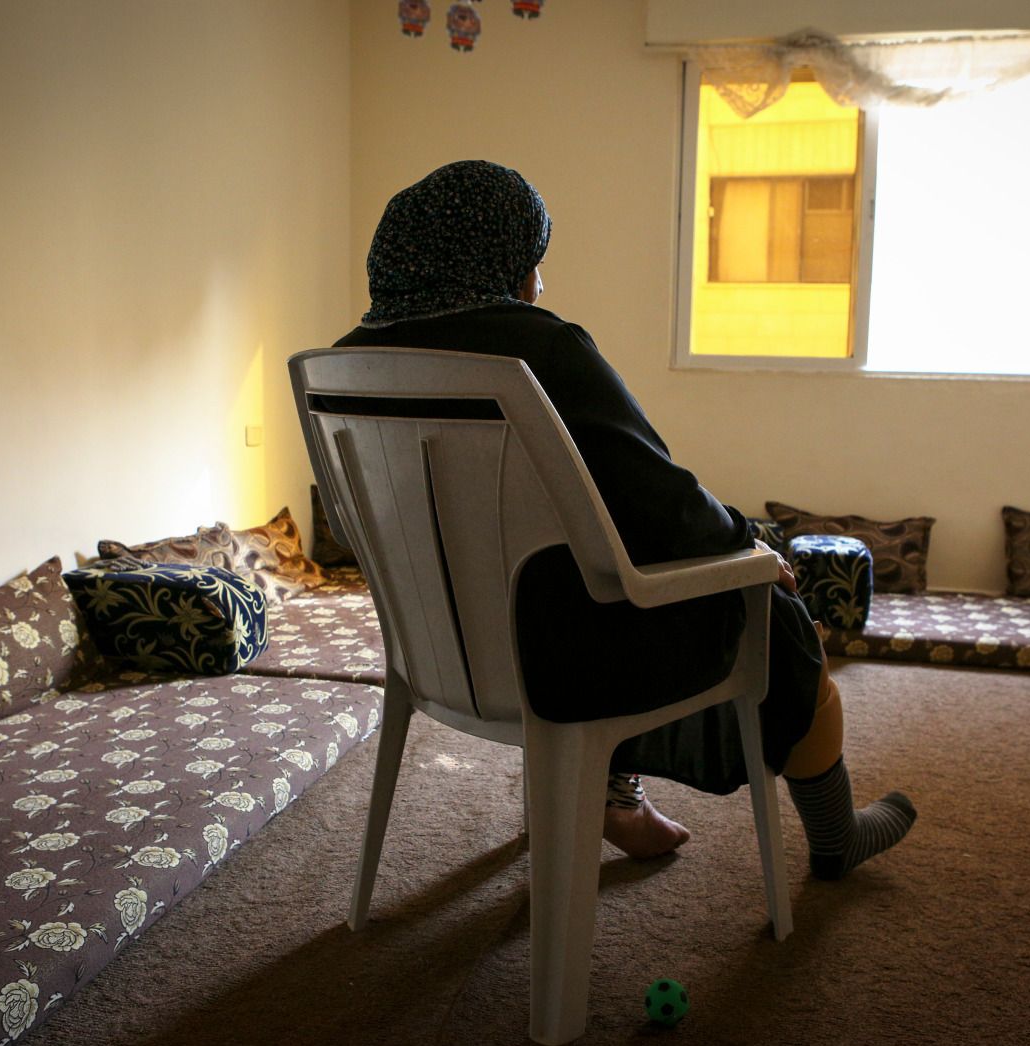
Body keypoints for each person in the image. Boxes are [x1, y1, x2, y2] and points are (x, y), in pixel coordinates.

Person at [334, 160, 915, 878]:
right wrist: (753, 544)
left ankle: (611, 787)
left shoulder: (347, 365)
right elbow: (662, 506)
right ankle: (836, 836)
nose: (538, 285)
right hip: (565, 665)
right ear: (495, 260)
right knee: (777, 616)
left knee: (579, 578)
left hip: (443, 656)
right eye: (531, 263)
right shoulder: (538, 347)